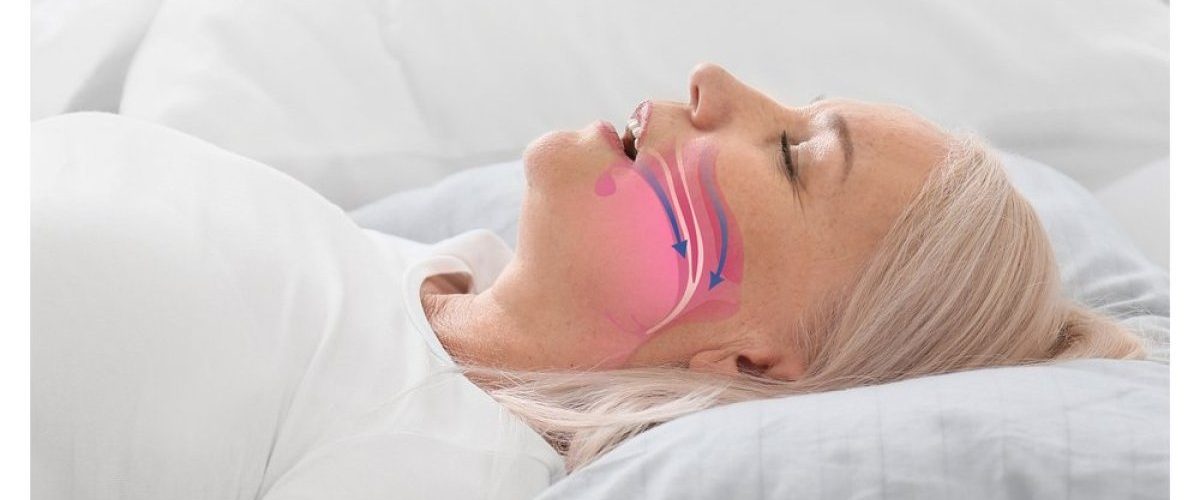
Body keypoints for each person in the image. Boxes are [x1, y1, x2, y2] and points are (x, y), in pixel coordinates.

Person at [31, 63, 1145, 499]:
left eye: (793, 153)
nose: (714, 81)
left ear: (753, 359)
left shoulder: (436, 459)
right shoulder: (413, 273)